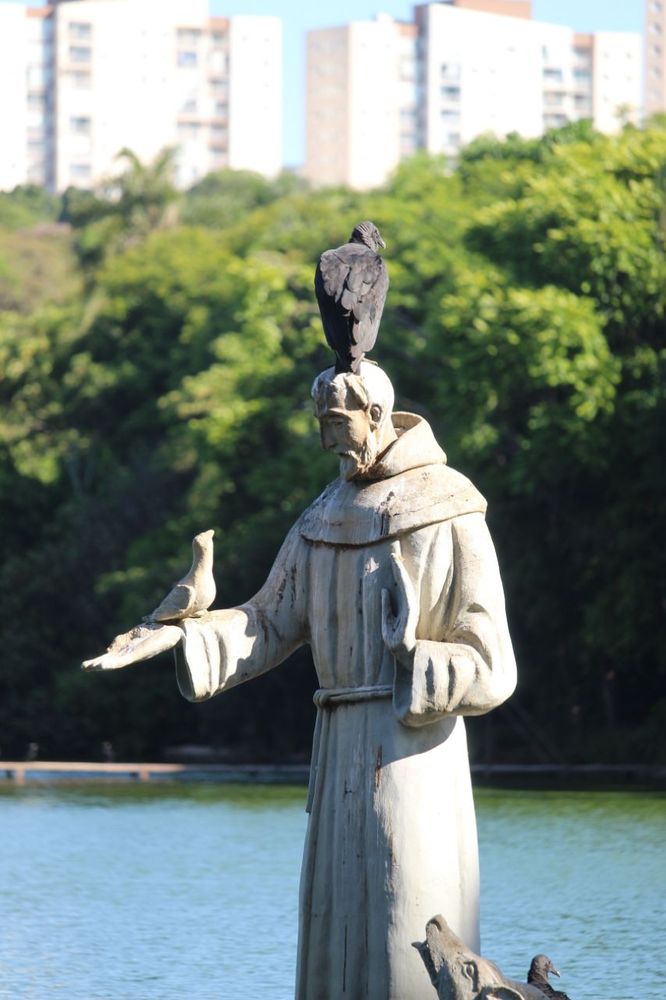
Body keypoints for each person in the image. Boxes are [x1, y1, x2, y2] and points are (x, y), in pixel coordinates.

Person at [84, 362, 516, 1000]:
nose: (328, 442)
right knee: (335, 920)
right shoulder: (324, 513)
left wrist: (413, 654)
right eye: (321, 426)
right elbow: (267, 620)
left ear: (377, 416)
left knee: (407, 907)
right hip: (338, 752)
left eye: (338, 424)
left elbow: (494, 665)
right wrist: (183, 634)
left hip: (411, 752)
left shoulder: (449, 506)